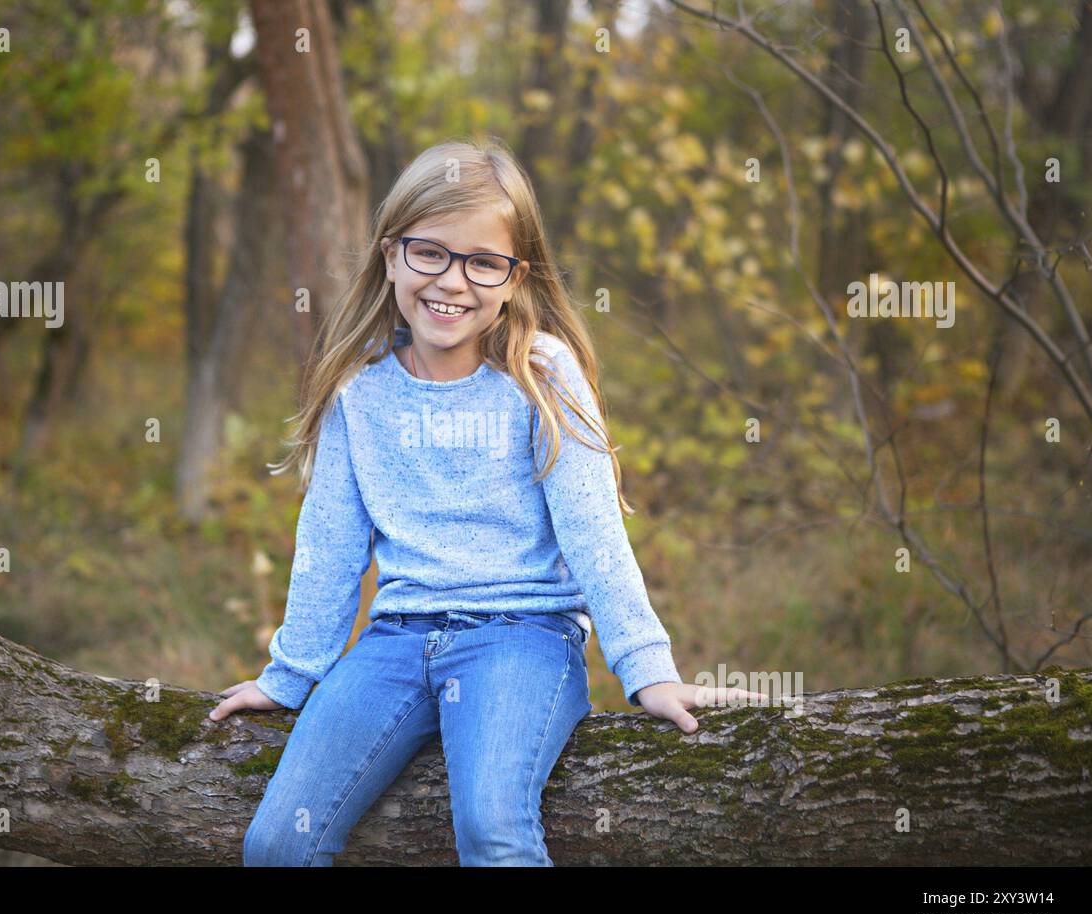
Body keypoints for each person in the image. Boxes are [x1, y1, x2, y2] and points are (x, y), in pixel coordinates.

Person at [210, 136, 762, 866]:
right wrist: (288, 675)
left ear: (514, 276)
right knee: (277, 841)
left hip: (522, 639)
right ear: (390, 254)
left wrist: (648, 669)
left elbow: (594, 535)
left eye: (483, 262)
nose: (453, 281)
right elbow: (330, 544)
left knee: (492, 825)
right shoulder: (360, 388)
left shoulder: (542, 374)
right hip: (396, 642)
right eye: (430, 252)